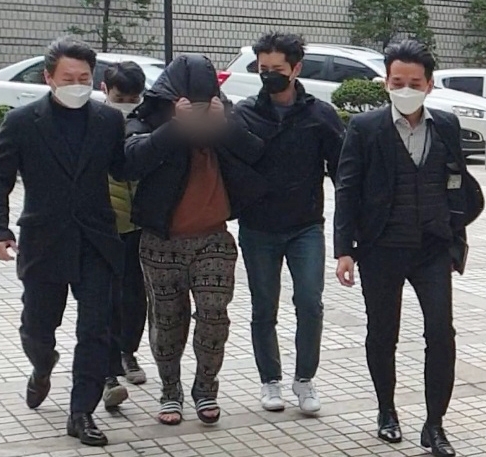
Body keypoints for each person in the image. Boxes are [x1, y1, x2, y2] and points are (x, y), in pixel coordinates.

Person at [333, 39, 484, 457]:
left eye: (414, 83)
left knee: (441, 333)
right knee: (383, 333)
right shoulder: (365, 128)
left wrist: (456, 239)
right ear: (385, 82)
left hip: (432, 247)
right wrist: (344, 249)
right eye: (397, 81)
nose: (405, 89)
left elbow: (458, 184)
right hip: (381, 248)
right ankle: (387, 411)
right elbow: (347, 189)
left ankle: (434, 425)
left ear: (429, 85)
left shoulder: (446, 125)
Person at [0, 37, 133, 446]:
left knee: (95, 329)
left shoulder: (107, 120)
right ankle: (42, 365)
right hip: (44, 240)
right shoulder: (22, 122)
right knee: (37, 328)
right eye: (68, 78)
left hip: (96, 241)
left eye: (84, 78)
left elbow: (123, 167)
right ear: (49, 78)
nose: (77, 85)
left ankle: (81, 412)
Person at [123, 54, 267, 426]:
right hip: (161, 240)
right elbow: (130, 160)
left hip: (214, 237)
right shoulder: (149, 117)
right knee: (167, 320)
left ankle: (205, 389)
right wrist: (175, 126)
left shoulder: (224, 117)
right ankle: (170, 391)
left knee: (214, 317)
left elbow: (257, 154)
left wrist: (223, 126)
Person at [232, 32, 344, 414]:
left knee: (310, 302)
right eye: (262, 68)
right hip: (258, 227)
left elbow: (343, 171)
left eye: (276, 68)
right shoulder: (244, 114)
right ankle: (270, 380)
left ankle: (305, 379)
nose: (268, 75)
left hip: (305, 226)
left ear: (296, 69)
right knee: (264, 307)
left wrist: (352, 228)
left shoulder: (319, 115)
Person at [100, 61, 148, 411]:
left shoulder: (148, 122)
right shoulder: (95, 122)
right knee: (106, 297)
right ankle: (109, 367)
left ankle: (128, 352)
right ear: (105, 90)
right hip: (104, 225)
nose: (127, 105)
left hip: (141, 223)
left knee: (135, 295)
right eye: (120, 98)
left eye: (133, 99)